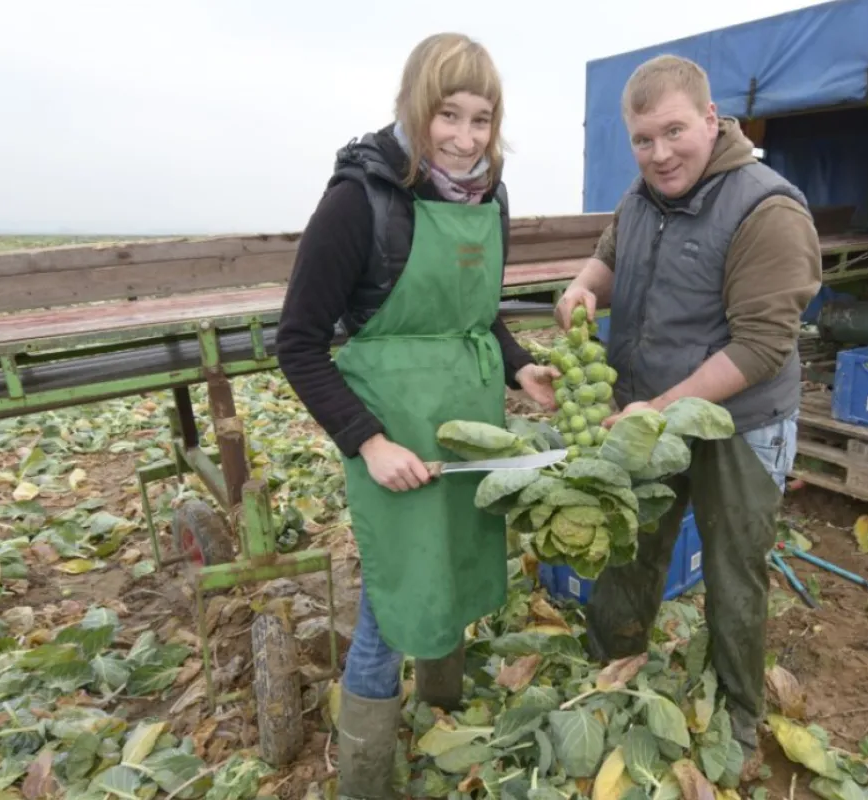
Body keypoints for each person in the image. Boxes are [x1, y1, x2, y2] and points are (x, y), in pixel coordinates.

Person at [277, 32, 558, 800]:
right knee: (391, 598)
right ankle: (364, 777)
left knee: (461, 569)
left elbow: (478, 315)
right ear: (414, 107)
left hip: (468, 430)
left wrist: (519, 364)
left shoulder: (489, 195)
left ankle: (442, 709)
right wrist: (368, 443)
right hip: (392, 436)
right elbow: (298, 345)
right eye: (448, 115)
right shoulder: (359, 200)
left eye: (482, 119)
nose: (465, 139)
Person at [554, 54, 821, 782]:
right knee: (631, 545)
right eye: (643, 139)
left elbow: (763, 345)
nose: (660, 153)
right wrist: (580, 291)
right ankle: (611, 668)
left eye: (674, 131)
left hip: (741, 423)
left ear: (711, 119)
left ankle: (738, 713)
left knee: (734, 571)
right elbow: (606, 266)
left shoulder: (768, 209)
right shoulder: (641, 200)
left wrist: (659, 409)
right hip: (646, 416)